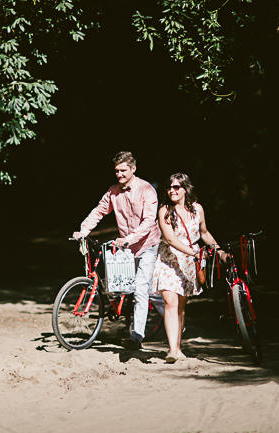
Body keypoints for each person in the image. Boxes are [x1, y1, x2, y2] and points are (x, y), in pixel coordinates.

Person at [73, 151, 164, 349]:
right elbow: (99, 210)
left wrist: (129, 239)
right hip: (126, 247)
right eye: (116, 171)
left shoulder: (146, 189)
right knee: (129, 287)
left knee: (141, 289)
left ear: (133, 169)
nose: (119, 174)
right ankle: (168, 313)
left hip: (147, 244)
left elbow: (149, 221)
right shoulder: (113, 191)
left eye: (123, 170)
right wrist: (83, 230)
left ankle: (137, 337)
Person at [152, 173, 226, 363]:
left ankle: (178, 347)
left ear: (185, 189)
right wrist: (192, 252)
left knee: (181, 307)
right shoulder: (164, 211)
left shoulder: (197, 209)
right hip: (169, 260)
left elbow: (204, 233)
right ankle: (171, 350)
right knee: (170, 301)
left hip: (189, 264)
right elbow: (170, 239)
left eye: (177, 187)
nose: (172, 191)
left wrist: (219, 251)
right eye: (170, 187)